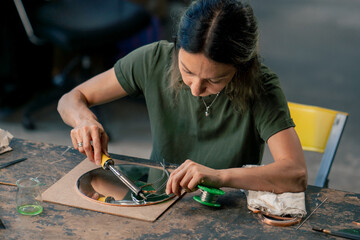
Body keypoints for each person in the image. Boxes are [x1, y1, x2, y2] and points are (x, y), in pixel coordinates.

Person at [58, 0, 307, 197]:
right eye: (187, 71)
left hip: (224, 210)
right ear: (177, 47)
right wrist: (84, 120)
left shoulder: (260, 86)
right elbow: (71, 99)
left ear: (242, 68)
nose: (196, 88)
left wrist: (219, 176)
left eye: (214, 80)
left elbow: (295, 173)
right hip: (158, 196)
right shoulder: (154, 60)